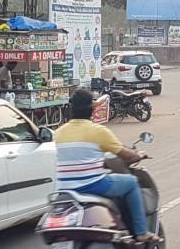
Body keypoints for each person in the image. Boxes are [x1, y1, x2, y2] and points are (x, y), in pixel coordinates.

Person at [55, 90, 162, 243]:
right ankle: (141, 232)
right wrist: (138, 155)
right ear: (92, 109)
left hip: (64, 189)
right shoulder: (98, 132)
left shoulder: (58, 133)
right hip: (92, 185)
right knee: (131, 183)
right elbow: (126, 155)